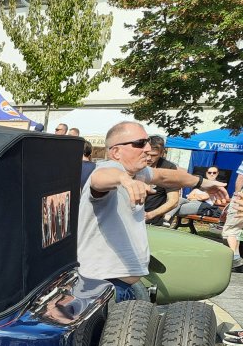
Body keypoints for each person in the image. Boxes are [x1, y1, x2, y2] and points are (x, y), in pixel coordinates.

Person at [77, 121, 230, 301]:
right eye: (140, 143)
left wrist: (202, 182)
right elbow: (98, 179)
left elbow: (166, 175)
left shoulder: (139, 173)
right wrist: (123, 180)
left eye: (148, 141)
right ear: (116, 151)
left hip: (119, 286)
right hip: (103, 289)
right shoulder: (110, 169)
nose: (148, 148)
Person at [143, 135, 180, 224]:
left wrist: (150, 215)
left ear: (162, 153)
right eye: (146, 154)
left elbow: (173, 201)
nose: (148, 158)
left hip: (152, 221)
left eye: (153, 155)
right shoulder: (134, 163)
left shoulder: (168, 168)